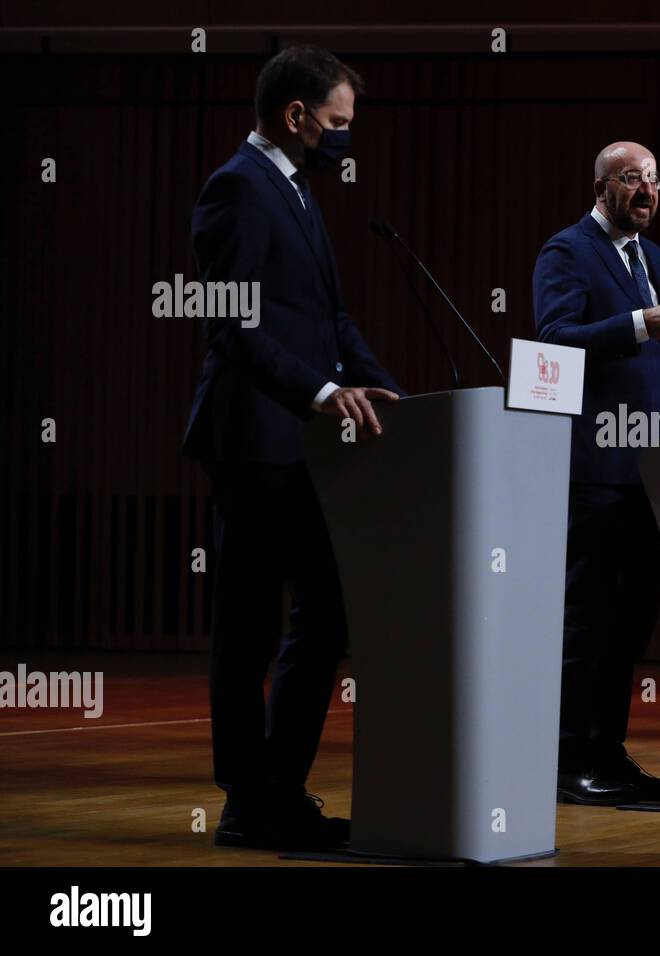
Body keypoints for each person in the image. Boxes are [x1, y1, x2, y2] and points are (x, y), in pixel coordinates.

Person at [183, 46, 403, 849]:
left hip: (300, 445)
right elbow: (233, 328)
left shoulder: (298, 190)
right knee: (247, 628)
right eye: (338, 122)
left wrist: (401, 401)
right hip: (251, 440)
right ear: (296, 115)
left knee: (328, 611)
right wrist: (321, 393)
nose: (345, 136)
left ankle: (278, 785)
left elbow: (332, 323)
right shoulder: (236, 189)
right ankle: (248, 801)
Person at [533, 141, 660, 805]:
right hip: (594, 467)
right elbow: (553, 338)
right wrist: (641, 323)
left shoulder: (653, 257)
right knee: (590, 619)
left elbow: (648, 353)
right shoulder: (566, 250)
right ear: (602, 184)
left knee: (632, 624)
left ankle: (608, 754)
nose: (646, 190)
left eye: (653, 180)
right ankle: (568, 759)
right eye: (631, 178)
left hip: (651, 469)